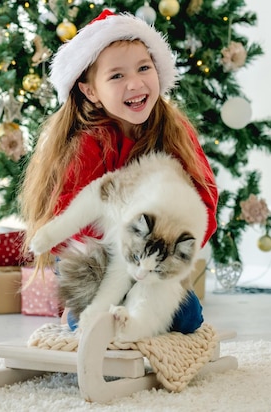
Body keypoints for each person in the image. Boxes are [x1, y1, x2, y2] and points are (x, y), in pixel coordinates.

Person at [20, 9, 218, 334]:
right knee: (89, 322)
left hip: (152, 256)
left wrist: (172, 245)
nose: (136, 83)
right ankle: (82, 314)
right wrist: (126, 244)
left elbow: (204, 198)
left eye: (143, 68)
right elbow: (70, 212)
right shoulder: (87, 142)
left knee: (186, 319)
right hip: (98, 257)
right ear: (90, 91)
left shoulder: (175, 131)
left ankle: (136, 322)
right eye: (117, 76)